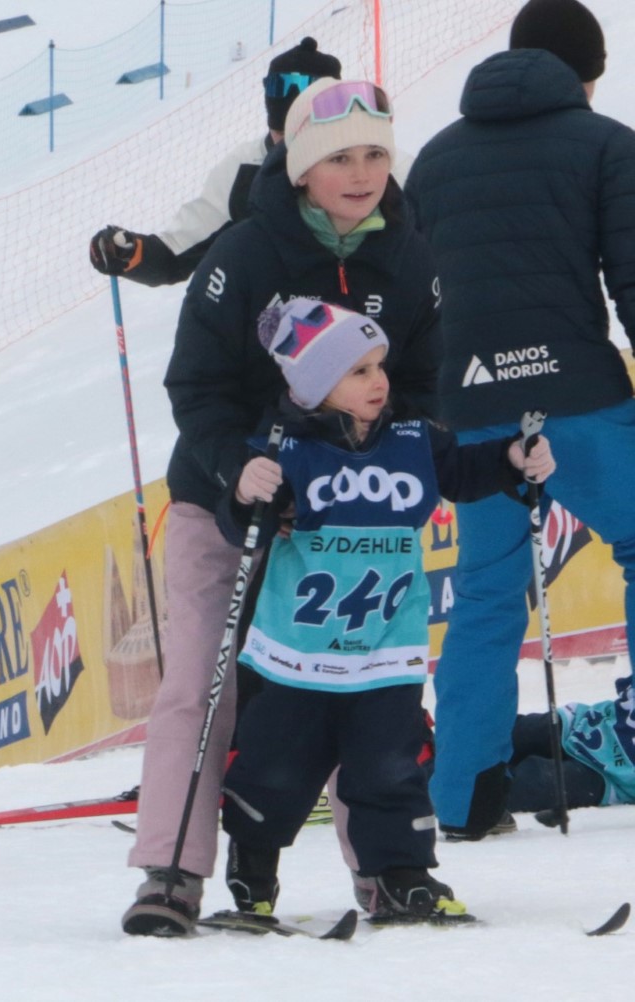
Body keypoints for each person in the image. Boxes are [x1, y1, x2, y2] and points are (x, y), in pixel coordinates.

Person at [124, 77, 441, 936]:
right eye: (340, 158)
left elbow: (425, 385)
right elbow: (196, 385)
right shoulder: (245, 252)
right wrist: (241, 466)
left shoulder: (409, 255)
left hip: (349, 521)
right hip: (226, 503)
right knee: (202, 683)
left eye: (375, 155)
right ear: (301, 169)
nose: (362, 173)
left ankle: (390, 871)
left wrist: (391, 463)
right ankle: (173, 870)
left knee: (366, 683)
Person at [216, 298, 552, 924]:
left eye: (379, 366)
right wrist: (244, 491)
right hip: (297, 653)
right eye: (359, 371)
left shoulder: (412, 438)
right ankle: (253, 875)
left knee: (391, 767)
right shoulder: (283, 448)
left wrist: (514, 459)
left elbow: (465, 470)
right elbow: (241, 525)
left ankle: (403, 876)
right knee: (275, 768)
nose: (379, 382)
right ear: (315, 385)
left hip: (386, 649)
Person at [402, 0, 635, 841]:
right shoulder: (607, 145)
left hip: (472, 409)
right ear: (588, 72)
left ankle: (465, 798)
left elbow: (416, 300)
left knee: (488, 591)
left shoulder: (434, 159)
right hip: (581, 397)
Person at [89, 38, 342, 286]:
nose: (289, 145)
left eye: (301, 133)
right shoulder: (246, 168)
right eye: (281, 133)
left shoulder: (359, 161)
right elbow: (177, 251)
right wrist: (132, 253)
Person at [506, 677, 635, 820]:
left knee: (536, 783)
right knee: (512, 734)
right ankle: (485, 767)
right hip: (582, 724)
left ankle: (488, 790)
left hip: (606, 777)